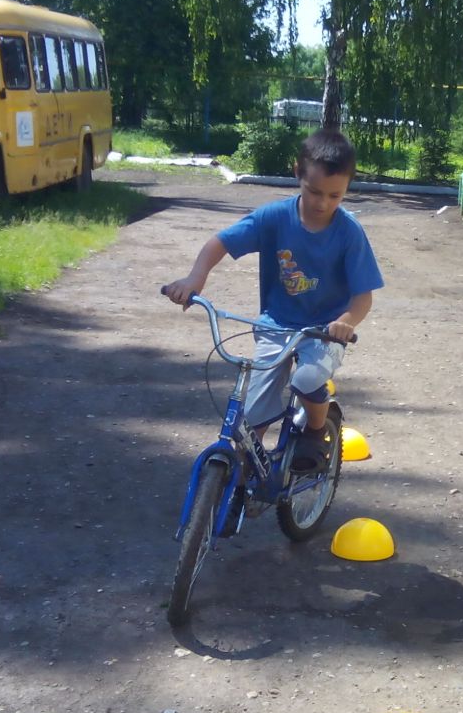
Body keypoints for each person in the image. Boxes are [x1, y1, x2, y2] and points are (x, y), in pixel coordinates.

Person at [162, 129, 383, 472]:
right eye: (314, 191)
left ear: (348, 188)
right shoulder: (274, 218)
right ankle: (242, 477)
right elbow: (221, 242)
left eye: (335, 195)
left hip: (324, 331)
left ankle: (316, 431)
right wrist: (195, 278)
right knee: (253, 413)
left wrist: (346, 322)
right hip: (276, 324)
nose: (322, 203)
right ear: (297, 173)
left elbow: (363, 297)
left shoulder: (349, 232)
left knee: (307, 379)